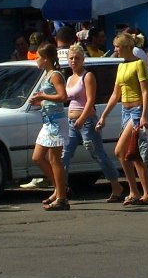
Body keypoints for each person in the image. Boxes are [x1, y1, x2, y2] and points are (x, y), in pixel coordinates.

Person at [96, 33, 148, 206]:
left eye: (118, 47)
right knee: (131, 155)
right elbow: (116, 94)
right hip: (125, 111)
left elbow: (145, 91)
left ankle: (141, 192)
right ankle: (139, 192)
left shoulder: (139, 64)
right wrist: (104, 116)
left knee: (120, 151)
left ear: (128, 47)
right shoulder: (121, 66)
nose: (115, 50)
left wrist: (145, 114)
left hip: (137, 112)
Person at [62, 43, 124, 202]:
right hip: (71, 123)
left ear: (83, 59)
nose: (74, 61)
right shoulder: (69, 78)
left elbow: (90, 100)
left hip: (87, 121)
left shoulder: (87, 76)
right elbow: (66, 98)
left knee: (97, 153)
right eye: (71, 58)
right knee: (64, 155)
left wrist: (82, 119)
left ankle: (116, 185)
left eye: (77, 58)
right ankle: (61, 190)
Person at [24, 42, 70, 211]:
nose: (36, 60)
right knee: (37, 157)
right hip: (48, 121)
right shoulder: (45, 75)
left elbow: (63, 96)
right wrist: (40, 101)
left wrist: (43, 96)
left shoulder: (55, 75)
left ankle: (62, 198)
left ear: (46, 59)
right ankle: (59, 188)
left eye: (38, 57)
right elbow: (50, 98)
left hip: (56, 121)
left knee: (54, 160)